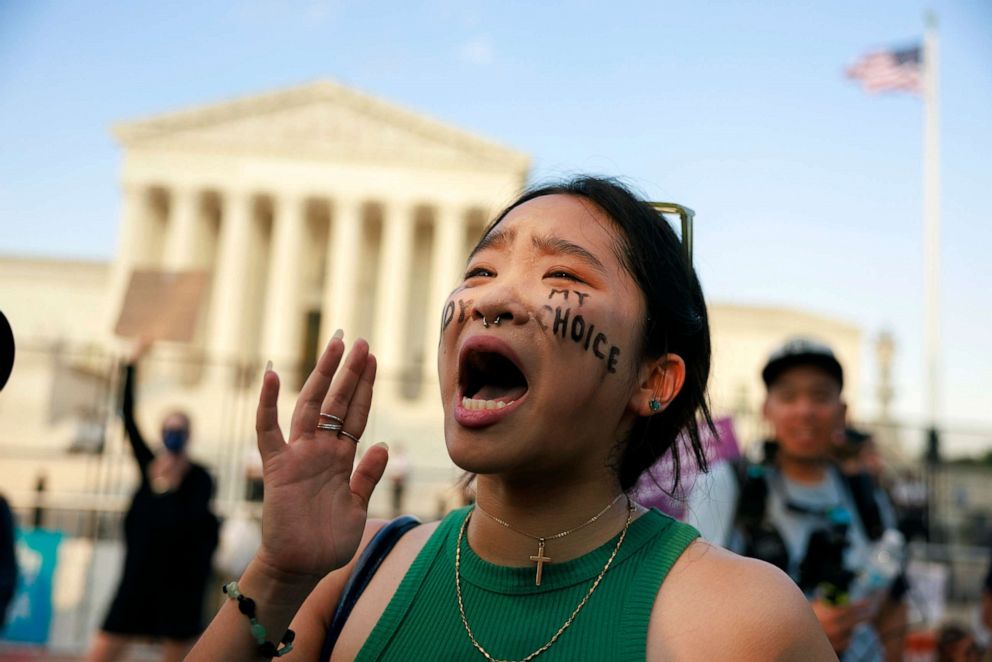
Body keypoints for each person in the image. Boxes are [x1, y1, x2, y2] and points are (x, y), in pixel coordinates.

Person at [189, 176, 833, 660]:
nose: (491, 297)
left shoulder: (744, 622)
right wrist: (278, 574)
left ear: (653, 379)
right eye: (481, 270)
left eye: (560, 271)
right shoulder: (353, 573)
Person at [687, 338, 908, 661]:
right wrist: (798, 629)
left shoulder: (866, 495)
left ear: (842, 411)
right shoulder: (726, 484)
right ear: (766, 409)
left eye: (820, 396)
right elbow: (690, 605)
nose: (805, 410)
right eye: (788, 396)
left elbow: (893, 605)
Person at [88, 339, 219, 662]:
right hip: (138, 580)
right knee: (103, 650)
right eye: (169, 429)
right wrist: (132, 365)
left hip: (178, 588)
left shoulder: (199, 478)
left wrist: (171, 488)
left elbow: (190, 525)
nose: (174, 435)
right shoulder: (149, 466)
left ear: (189, 434)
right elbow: (128, 417)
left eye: (180, 429)